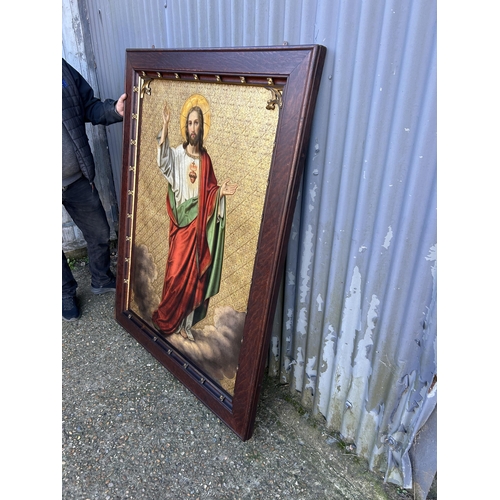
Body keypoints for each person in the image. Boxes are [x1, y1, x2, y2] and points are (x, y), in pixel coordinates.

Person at [152, 101, 237, 341]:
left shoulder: (206, 160)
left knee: (195, 278)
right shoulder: (178, 155)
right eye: (189, 122)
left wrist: (221, 192)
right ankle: (171, 318)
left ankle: (185, 325)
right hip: (183, 225)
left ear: (201, 127)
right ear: (185, 126)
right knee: (175, 274)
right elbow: (163, 161)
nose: (192, 127)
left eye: (196, 122)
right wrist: (166, 125)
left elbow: (210, 191)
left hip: (199, 230)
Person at [62, 58, 127, 321]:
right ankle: (65, 294)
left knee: (100, 231)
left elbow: (88, 105)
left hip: (76, 177)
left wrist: (115, 110)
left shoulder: (59, 67)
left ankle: (101, 277)